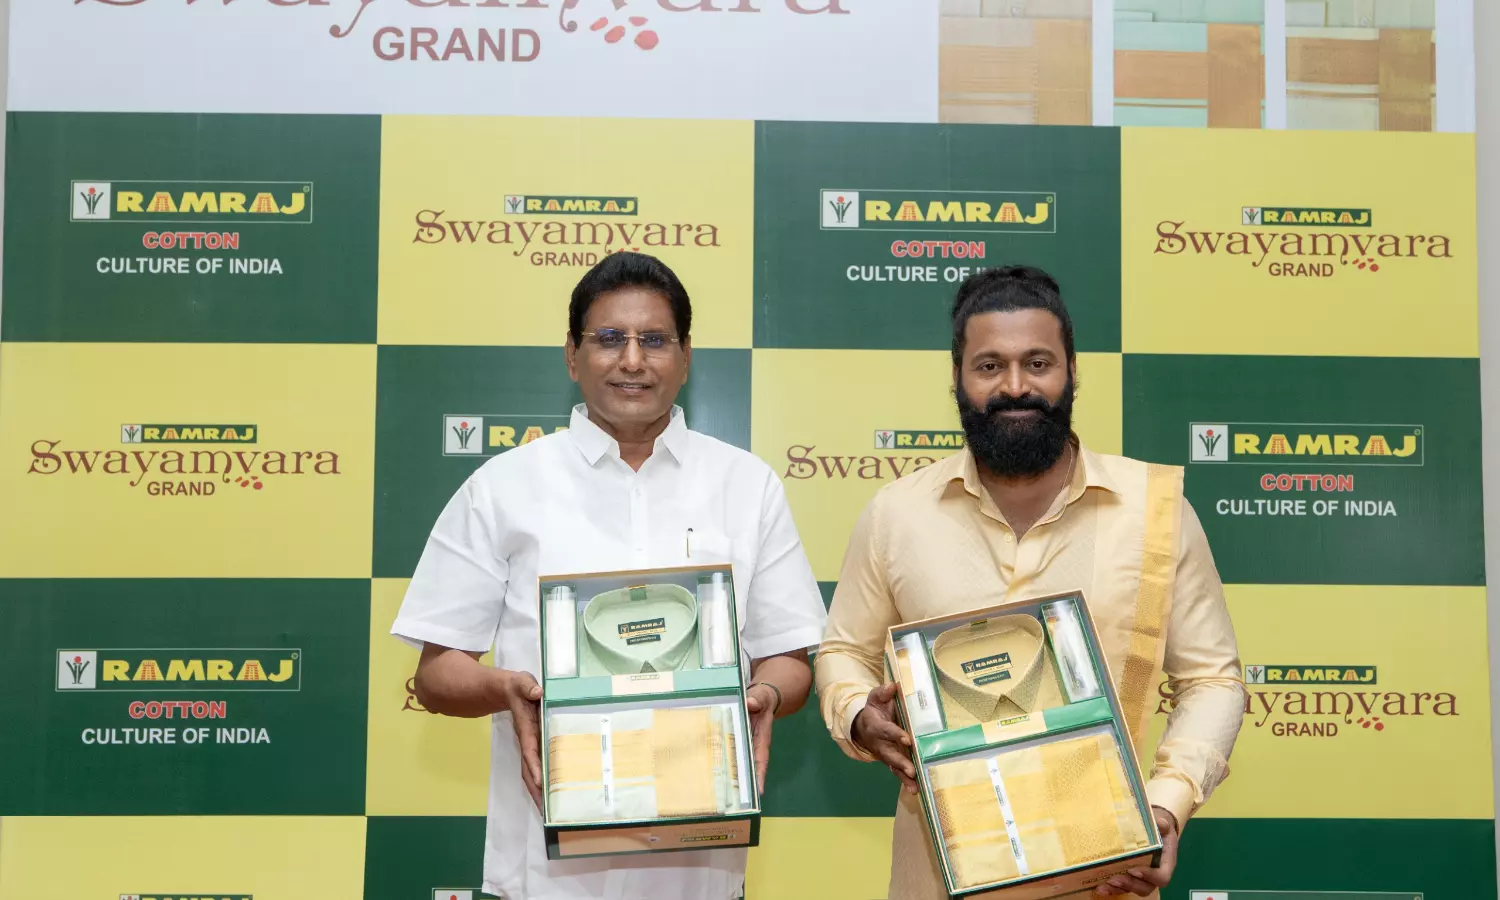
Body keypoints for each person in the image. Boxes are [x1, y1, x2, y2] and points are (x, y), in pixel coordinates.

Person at [390, 251, 827, 900]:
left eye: (655, 340)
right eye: (609, 338)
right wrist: (507, 688)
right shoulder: (503, 487)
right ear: (573, 355)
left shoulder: (746, 485)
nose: (632, 360)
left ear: (685, 356)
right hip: (548, 875)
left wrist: (762, 695)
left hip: (701, 872)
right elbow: (435, 675)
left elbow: (789, 659)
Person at [814, 265, 1246, 899]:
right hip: (937, 878)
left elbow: (1213, 679)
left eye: (1037, 363)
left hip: (1109, 872)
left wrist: (1165, 804)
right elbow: (843, 651)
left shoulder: (1155, 509)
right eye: (989, 366)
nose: (1015, 386)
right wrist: (858, 715)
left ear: (1072, 371)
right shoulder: (896, 514)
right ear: (957, 378)